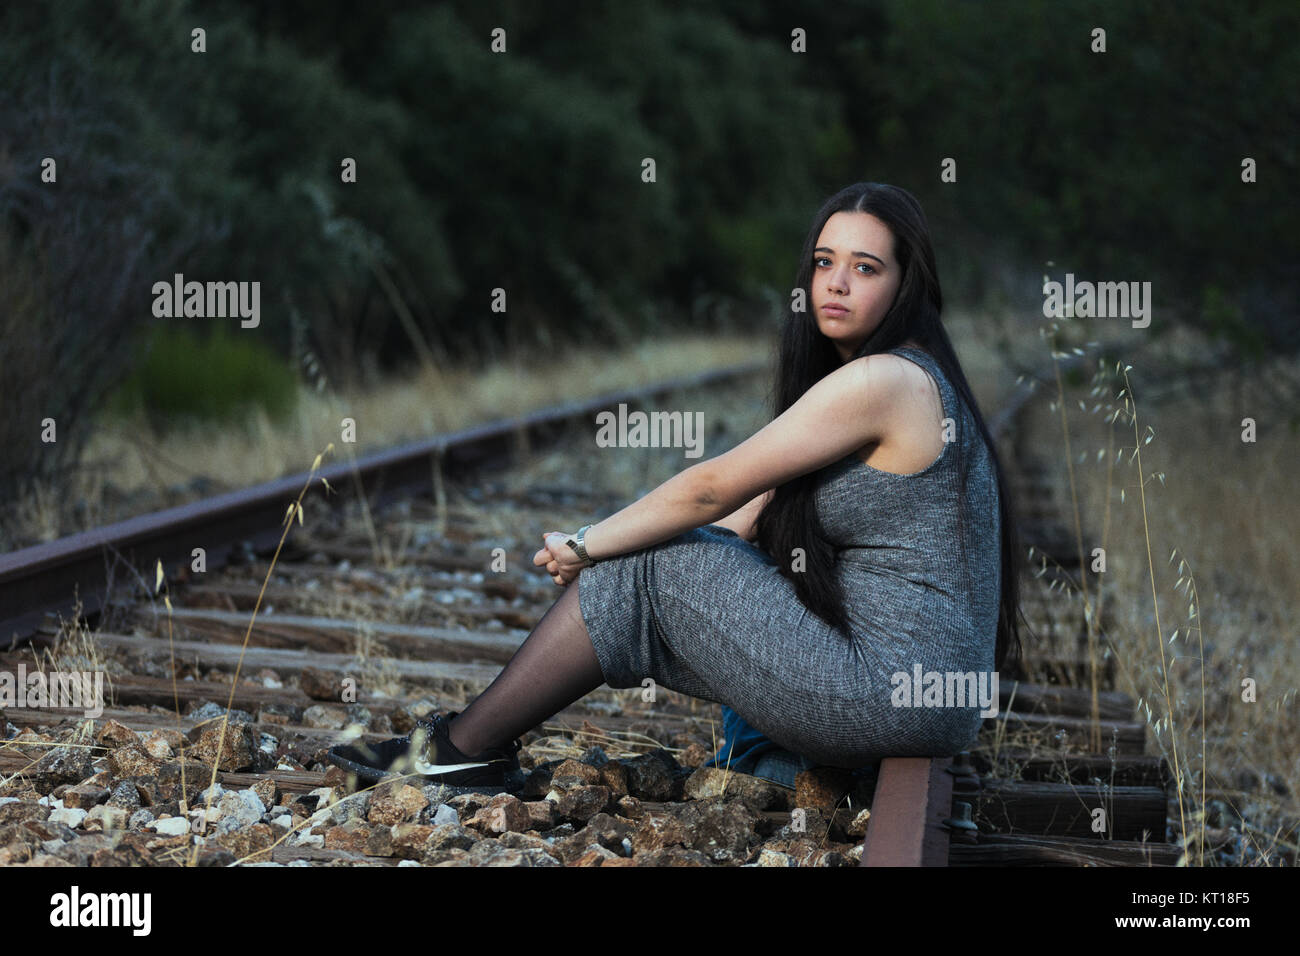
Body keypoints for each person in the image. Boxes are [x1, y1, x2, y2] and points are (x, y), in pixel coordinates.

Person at [328, 182, 1024, 796]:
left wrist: (586, 547)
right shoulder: (914, 378)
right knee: (669, 554)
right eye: (824, 262)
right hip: (923, 699)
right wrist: (655, 564)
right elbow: (747, 514)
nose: (835, 283)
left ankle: (459, 753)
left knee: (653, 561)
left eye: (865, 268)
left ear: (905, 284)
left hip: (887, 692)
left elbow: (711, 488)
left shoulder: (884, 382)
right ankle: (470, 748)